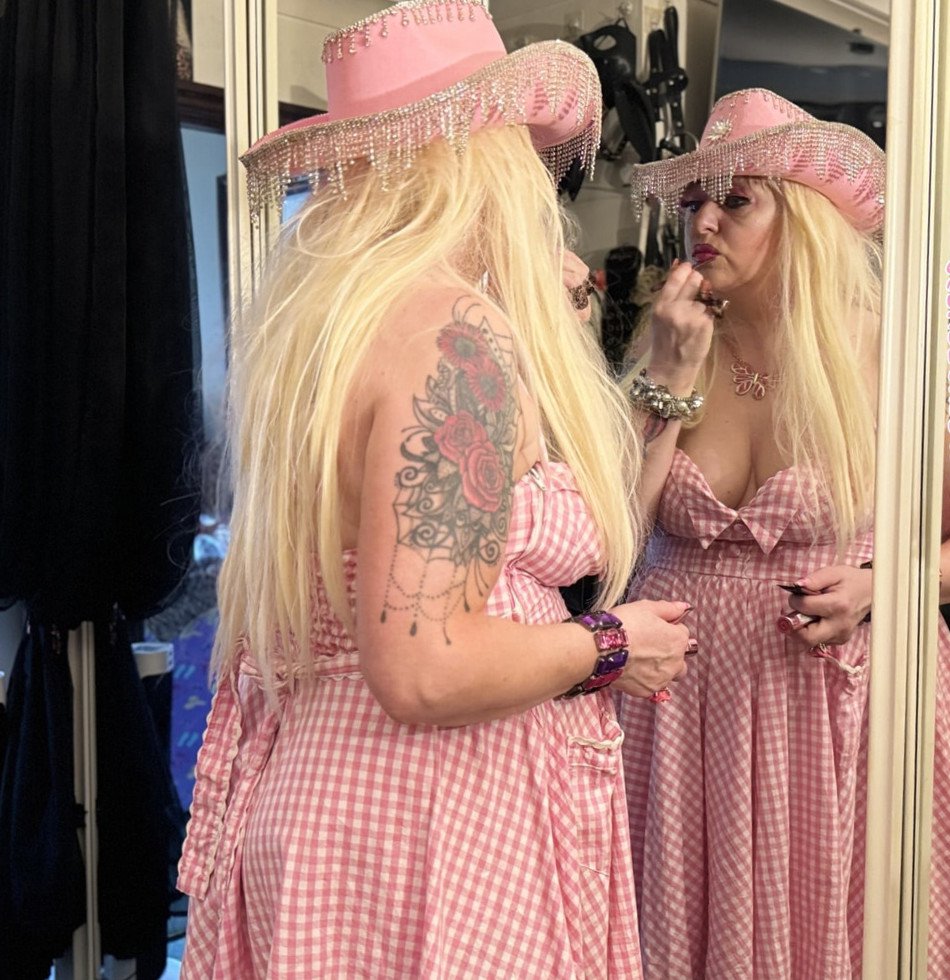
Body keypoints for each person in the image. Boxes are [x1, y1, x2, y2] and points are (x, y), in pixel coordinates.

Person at [175, 3, 693, 977]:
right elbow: (426, 665)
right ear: (477, 158)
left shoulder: (332, 327)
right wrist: (609, 644)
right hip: (430, 826)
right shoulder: (452, 336)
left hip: (340, 806)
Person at [616, 87, 950, 978]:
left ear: (800, 219)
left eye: (737, 200)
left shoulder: (887, 353)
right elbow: (606, 539)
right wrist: (668, 375)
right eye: (694, 201)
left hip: (837, 700)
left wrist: (888, 585)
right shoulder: (669, 344)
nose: (705, 223)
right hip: (678, 709)